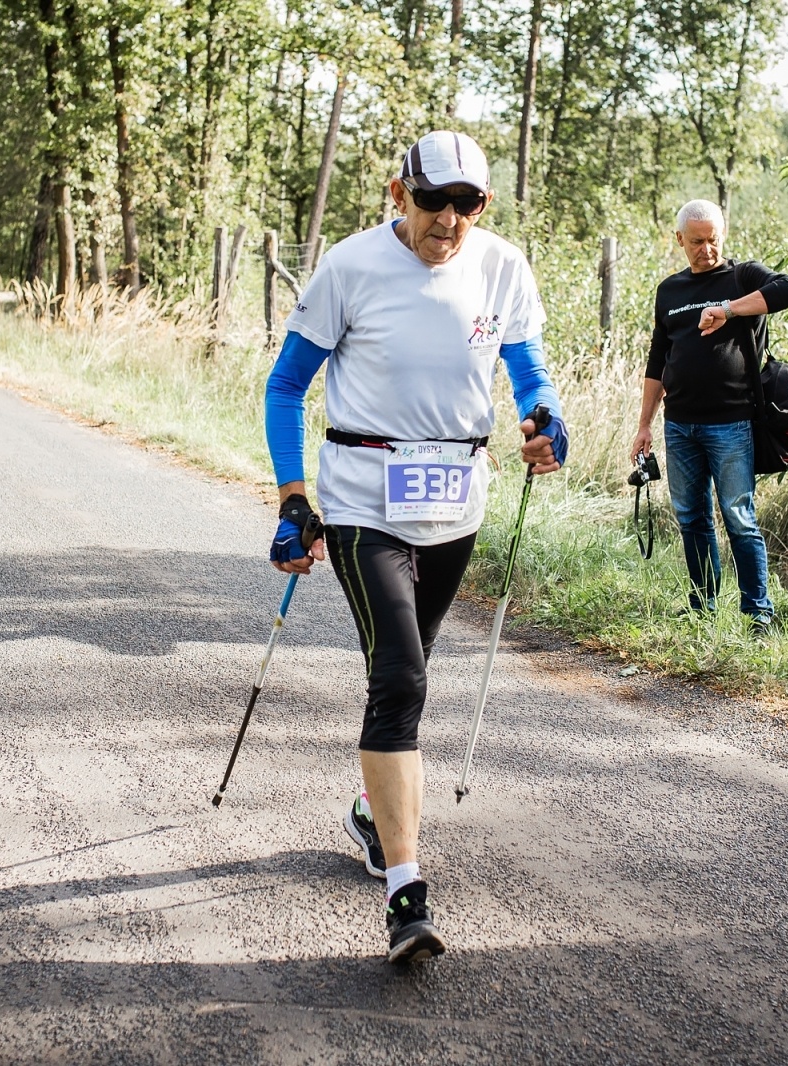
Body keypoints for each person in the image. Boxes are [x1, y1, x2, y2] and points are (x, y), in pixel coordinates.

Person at [265, 130, 568, 964]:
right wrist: (295, 498)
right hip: (365, 499)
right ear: (398, 192)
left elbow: (529, 373)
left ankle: (371, 811)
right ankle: (406, 890)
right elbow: (286, 384)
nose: (448, 220)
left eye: (465, 204)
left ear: (485, 206)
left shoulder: (502, 267)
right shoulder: (351, 268)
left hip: (455, 505)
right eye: (433, 200)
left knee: (411, 673)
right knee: (398, 673)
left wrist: (545, 420)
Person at [631, 199, 788, 633]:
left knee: (739, 517)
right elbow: (657, 360)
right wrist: (644, 424)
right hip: (679, 424)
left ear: (722, 236)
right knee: (691, 517)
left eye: (713, 239)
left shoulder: (743, 277)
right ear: (679, 241)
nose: (706, 249)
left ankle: (758, 613)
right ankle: (703, 606)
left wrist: (728, 309)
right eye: (696, 241)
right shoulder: (669, 290)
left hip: (731, 424)